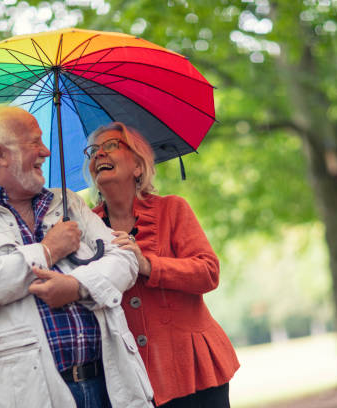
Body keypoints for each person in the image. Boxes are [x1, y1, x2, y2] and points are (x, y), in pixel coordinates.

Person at [0, 105, 153, 408]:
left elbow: (125, 258)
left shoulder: (69, 202)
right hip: (30, 396)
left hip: (110, 386)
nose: (46, 151)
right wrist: (47, 250)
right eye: (34, 142)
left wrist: (76, 286)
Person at [83, 122, 240, 407]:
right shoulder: (84, 228)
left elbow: (208, 272)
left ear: (138, 167)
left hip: (194, 371)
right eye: (93, 151)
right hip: (132, 381)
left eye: (111, 146)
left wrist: (147, 265)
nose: (98, 155)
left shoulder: (173, 209)